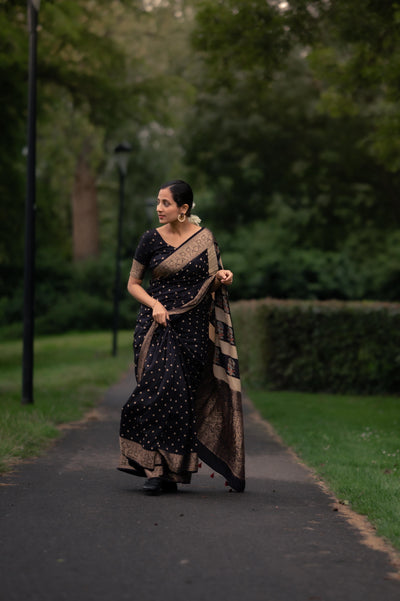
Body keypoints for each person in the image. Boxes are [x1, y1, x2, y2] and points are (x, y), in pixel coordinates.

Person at [117, 180, 245, 495]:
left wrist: (223, 277)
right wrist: (155, 304)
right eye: (158, 202)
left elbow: (212, 282)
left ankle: (172, 472)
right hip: (156, 325)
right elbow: (133, 284)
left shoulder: (205, 240)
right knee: (158, 389)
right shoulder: (149, 240)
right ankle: (154, 467)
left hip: (194, 328)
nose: (159, 209)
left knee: (182, 398)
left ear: (183, 209)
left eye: (166, 203)